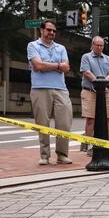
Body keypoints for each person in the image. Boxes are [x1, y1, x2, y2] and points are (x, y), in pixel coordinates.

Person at [27, 19, 73, 165]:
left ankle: (62, 155)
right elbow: (38, 65)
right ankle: (45, 156)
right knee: (43, 124)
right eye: (48, 30)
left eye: (53, 31)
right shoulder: (33, 45)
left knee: (64, 123)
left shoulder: (61, 48)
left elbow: (67, 68)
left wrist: (50, 66)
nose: (51, 33)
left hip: (61, 89)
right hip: (39, 89)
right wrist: (58, 65)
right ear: (42, 30)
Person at [80, 36, 109, 156]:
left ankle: (107, 145)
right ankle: (90, 146)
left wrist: (105, 82)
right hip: (90, 92)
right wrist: (98, 83)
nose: (99, 47)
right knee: (91, 119)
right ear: (92, 45)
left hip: (106, 92)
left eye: (101, 45)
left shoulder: (107, 58)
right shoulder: (86, 57)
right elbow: (86, 72)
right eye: (97, 45)